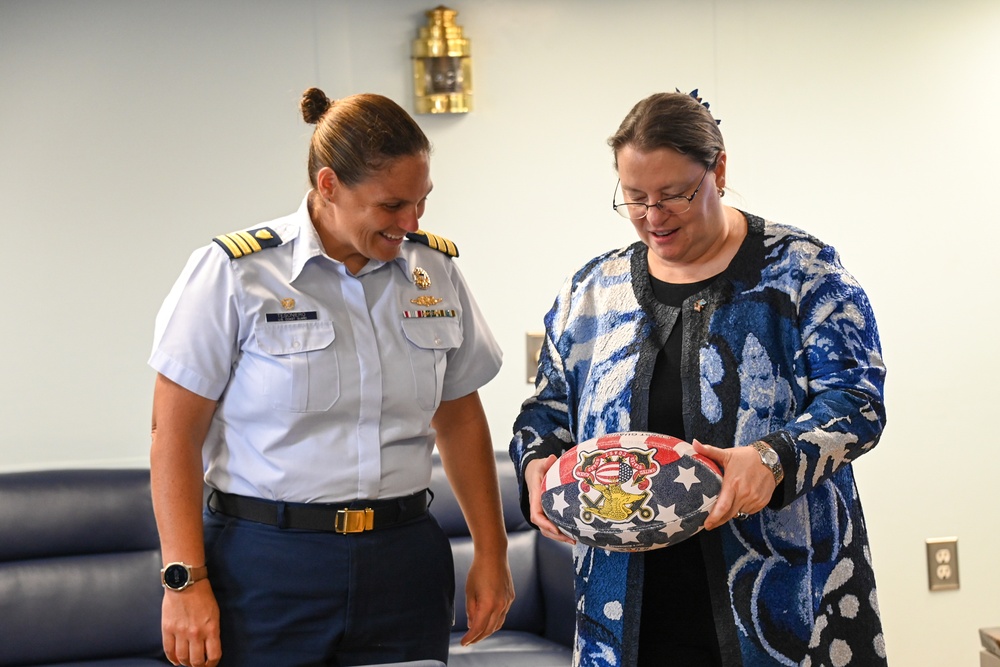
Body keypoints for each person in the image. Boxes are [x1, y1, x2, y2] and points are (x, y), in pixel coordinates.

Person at [510, 90, 887, 667]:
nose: (653, 217)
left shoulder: (802, 272)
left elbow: (857, 402)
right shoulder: (590, 293)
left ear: (719, 170)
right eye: (634, 199)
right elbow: (545, 413)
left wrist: (774, 457)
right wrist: (536, 467)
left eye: (673, 195)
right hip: (625, 612)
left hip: (782, 601)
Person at [148, 87, 514, 667]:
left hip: (404, 560)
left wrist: (492, 553)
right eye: (392, 205)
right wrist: (184, 581)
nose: (411, 222)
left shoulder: (434, 271)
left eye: (421, 202)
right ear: (328, 186)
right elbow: (173, 436)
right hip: (268, 564)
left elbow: (460, 415)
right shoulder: (236, 274)